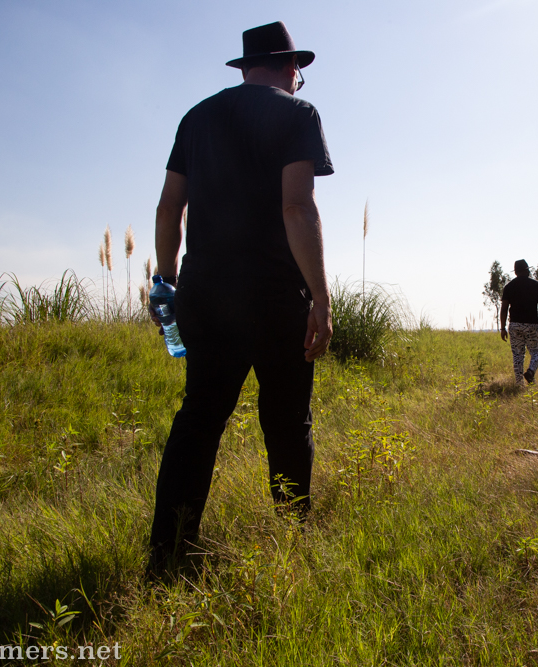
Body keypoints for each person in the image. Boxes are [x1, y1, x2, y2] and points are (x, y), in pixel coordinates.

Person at [148, 21, 333, 572]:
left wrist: (166, 280)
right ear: (290, 67)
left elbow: (167, 208)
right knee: (285, 421)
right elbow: (297, 208)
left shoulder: (197, 117)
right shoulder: (299, 115)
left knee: (199, 419)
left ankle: (169, 551)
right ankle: (291, 543)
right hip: (276, 296)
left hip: (203, 295)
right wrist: (320, 300)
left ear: (246, 66)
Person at [500, 259, 538, 385]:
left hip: (515, 325)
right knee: (537, 351)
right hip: (532, 324)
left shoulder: (509, 287)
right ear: (527, 270)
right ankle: (531, 371)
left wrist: (503, 328)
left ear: (515, 272)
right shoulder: (536, 285)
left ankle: (519, 384)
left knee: (517, 355)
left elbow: (504, 309)